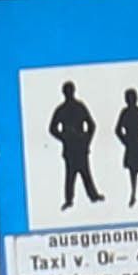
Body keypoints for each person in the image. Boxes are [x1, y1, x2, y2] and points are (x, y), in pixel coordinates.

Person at [48, 78, 99, 209]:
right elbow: (52, 128)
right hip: (70, 148)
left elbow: (91, 125)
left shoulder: (80, 107)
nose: (68, 93)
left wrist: (86, 139)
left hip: (81, 146)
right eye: (67, 91)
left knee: (85, 172)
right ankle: (69, 200)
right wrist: (64, 137)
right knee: (70, 175)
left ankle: (93, 195)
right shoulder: (61, 109)